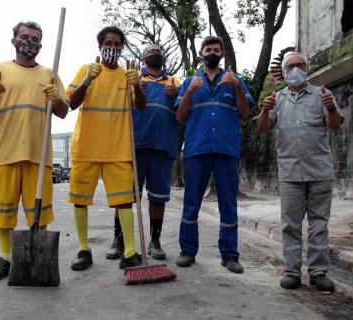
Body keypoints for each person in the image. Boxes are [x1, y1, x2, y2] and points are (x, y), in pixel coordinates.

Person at [0, 20, 69, 282]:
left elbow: (63, 112)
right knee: (3, 211)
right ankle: (5, 257)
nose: (29, 42)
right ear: (13, 40)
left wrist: (57, 98)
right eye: (24, 36)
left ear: (41, 45)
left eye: (35, 38)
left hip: (38, 156)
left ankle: (38, 255)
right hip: (5, 152)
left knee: (39, 212)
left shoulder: (50, 74)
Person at [257, 51, 343, 292]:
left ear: (307, 67)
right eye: (290, 66)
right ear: (283, 72)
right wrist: (264, 110)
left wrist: (331, 108)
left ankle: (318, 273)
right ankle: (292, 271)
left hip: (319, 171)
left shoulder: (322, 95)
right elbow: (263, 128)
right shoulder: (277, 98)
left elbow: (335, 125)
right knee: (290, 225)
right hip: (290, 173)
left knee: (318, 225)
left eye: (299, 65)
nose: (295, 69)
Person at [66, 26, 146, 270]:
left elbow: (141, 106)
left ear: (122, 48)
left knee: (124, 202)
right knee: (80, 200)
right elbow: (70, 103)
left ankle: (130, 252)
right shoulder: (85, 69)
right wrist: (87, 80)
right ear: (100, 46)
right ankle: (83, 249)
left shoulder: (128, 74)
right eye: (108, 44)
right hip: (86, 148)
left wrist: (137, 86)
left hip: (118, 149)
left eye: (117, 44)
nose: (112, 48)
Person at [175, 36, 254, 274]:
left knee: (228, 205)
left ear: (222, 55)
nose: (211, 52)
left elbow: (245, 112)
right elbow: (179, 116)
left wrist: (238, 86)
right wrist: (189, 92)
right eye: (207, 49)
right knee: (191, 204)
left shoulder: (234, 80)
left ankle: (229, 255)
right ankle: (188, 251)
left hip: (226, 150)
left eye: (216, 50)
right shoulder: (190, 81)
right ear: (200, 54)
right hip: (196, 151)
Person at [105, 44, 180, 261]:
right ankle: (118, 241)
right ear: (142, 57)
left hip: (162, 148)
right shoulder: (132, 77)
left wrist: (178, 95)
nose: (155, 52)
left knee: (158, 198)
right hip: (134, 147)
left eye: (158, 50)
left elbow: (183, 110)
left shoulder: (174, 82)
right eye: (150, 50)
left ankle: (154, 242)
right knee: (125, 197)